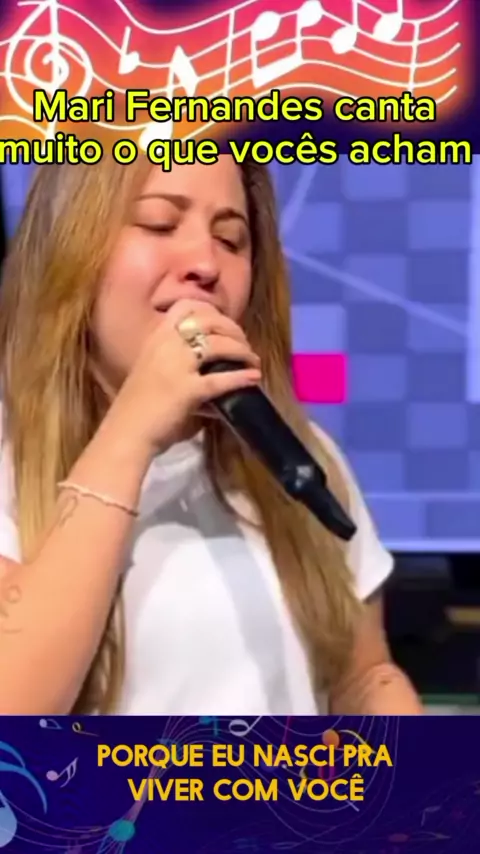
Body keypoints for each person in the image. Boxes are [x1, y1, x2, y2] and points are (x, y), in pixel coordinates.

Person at [0, 155, 423, 716]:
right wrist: (132, 430)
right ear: (68, 246)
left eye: (231, 239)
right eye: (158, 224)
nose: (204, 263)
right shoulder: (9, 463)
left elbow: (364, 674)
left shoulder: (301, 453)